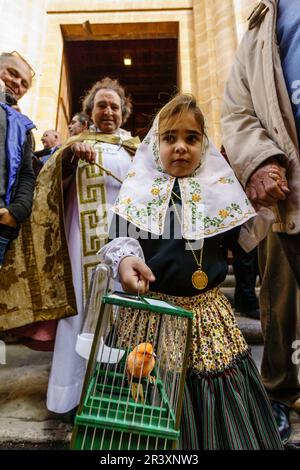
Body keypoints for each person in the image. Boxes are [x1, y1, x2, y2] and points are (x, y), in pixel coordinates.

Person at [100, 93, 283, 449]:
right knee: (151, 396)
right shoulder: (138, 191)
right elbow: (118, 240)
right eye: (170, 138)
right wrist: (124, 262)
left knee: (213, 397)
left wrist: (261, 205)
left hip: (207, 317)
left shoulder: (218, 193)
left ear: (204, 144)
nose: (180, 147)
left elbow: (243, 240)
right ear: (155, 145)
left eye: (191, 138)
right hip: (151, 316)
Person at [221, 0, 300, 443]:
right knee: (281, 298)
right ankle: (278, 390)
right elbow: (238, 109)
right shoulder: (257, 26)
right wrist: (259, 161)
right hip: (288, 188)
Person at [46, 77, 140, 414]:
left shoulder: (137, 148)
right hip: (80, 241)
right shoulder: (75, 145)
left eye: (115, 106)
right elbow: (51, 187)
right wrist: (71, 155)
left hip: (126, 241)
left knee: (124, 311)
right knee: (84, 310)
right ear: (91, 111)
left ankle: (121, 389)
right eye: (102, 105)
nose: (108, 111)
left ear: (124, 112)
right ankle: (73, 395)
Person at [0, 51, 35, 270]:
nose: (16, 84)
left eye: (23, 83)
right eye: (11, 74)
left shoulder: (24, 127)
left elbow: (26, 174)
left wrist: (16, 212)